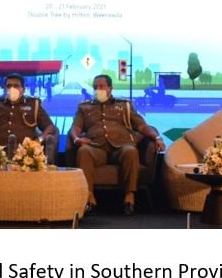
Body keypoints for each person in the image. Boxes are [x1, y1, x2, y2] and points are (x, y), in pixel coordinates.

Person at [69, 74, 165, 215]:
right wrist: (77, 139)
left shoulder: (124, 105)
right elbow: (75, 127)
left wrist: (157, 138)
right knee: (84, 151)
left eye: (101, 86)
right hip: (96, 148)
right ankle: (89, 196)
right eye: (95, 87)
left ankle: (129, 196)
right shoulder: (84, 107)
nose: (98, 90)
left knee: (131, 151)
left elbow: (142, 126)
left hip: (120, 147)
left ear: (110, 88)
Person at [0, 73, 59, 162]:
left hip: (25, 156)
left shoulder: (33, 104)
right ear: (5, 89)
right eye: (9, 86)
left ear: (23, 89)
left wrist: (38, 141)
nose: (12, 89)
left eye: (16, 86)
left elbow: (50, 127)